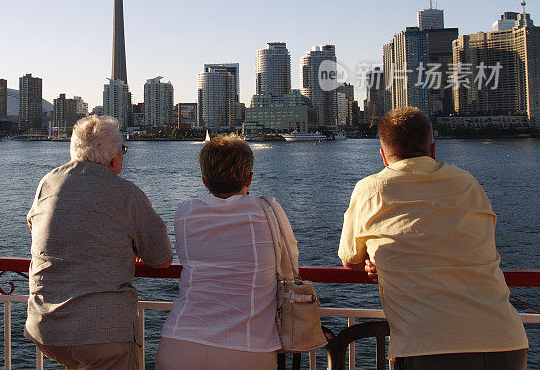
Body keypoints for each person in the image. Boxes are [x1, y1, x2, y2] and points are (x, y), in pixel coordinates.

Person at [339, 107, 528, 370]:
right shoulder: (467, 182)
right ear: (433, 149)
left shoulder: (370, 189)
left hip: (430, 344)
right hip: (506, 340)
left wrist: (378, 262)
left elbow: (350, 260)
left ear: (383, 156)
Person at [25, 115, 172, 370]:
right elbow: (161, 259)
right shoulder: (126, 193)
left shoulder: (48, 182)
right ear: (114, 157)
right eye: (123, 150)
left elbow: (37, 226)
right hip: (102, 333)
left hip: (46, 326)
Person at [156, 134, 298, 370]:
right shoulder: (269, 211)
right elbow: (291, 261)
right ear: (249, 178)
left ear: (204, 180)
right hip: (249, 349)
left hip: (180, 343)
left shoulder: (185, 212)